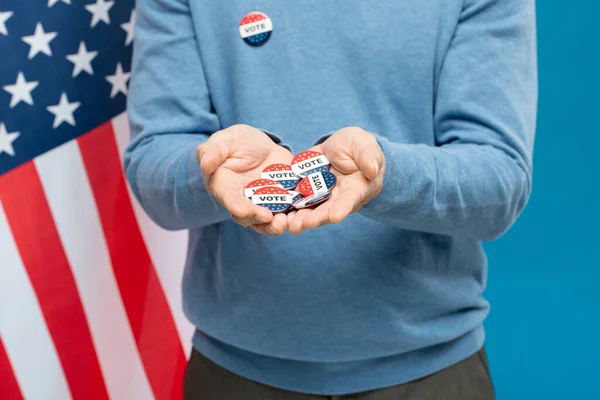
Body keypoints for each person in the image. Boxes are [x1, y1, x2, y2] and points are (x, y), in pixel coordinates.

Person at [124, 0, 537, 398]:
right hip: (233, 375)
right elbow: (155, 170)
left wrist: (385, 174)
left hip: (432, 376)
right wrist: (214, 173)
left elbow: (500, 183)